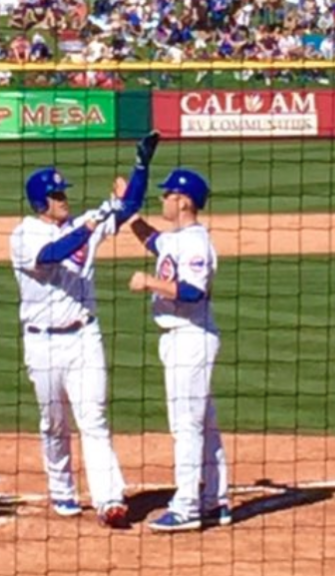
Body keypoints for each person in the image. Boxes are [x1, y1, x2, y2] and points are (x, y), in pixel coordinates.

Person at [9, 133, 159, 528]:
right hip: (41, 341)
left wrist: (140, 166)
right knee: (53, 422)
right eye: (58, 196)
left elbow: (128, 206)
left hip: (84, 338)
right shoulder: (24, 235)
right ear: (42, 203)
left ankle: (110, 499)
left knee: (93, 419)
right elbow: (53, 254)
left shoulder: (82, 225)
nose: (65, 200)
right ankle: (62, 490)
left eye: (64, 194)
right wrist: (93, 221)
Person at [127, 163, 232, 533]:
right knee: (205, 423)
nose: (162, 198)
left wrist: (149, 283)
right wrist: (130, 211)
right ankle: (216, 499)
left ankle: (186, 506)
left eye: (167, 194)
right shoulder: (177, 238)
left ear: (183, 201)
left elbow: (193, 291)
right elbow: (151, 240)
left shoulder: (196, 243)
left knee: (186, 426)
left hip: (191, 336)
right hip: (180, 338)